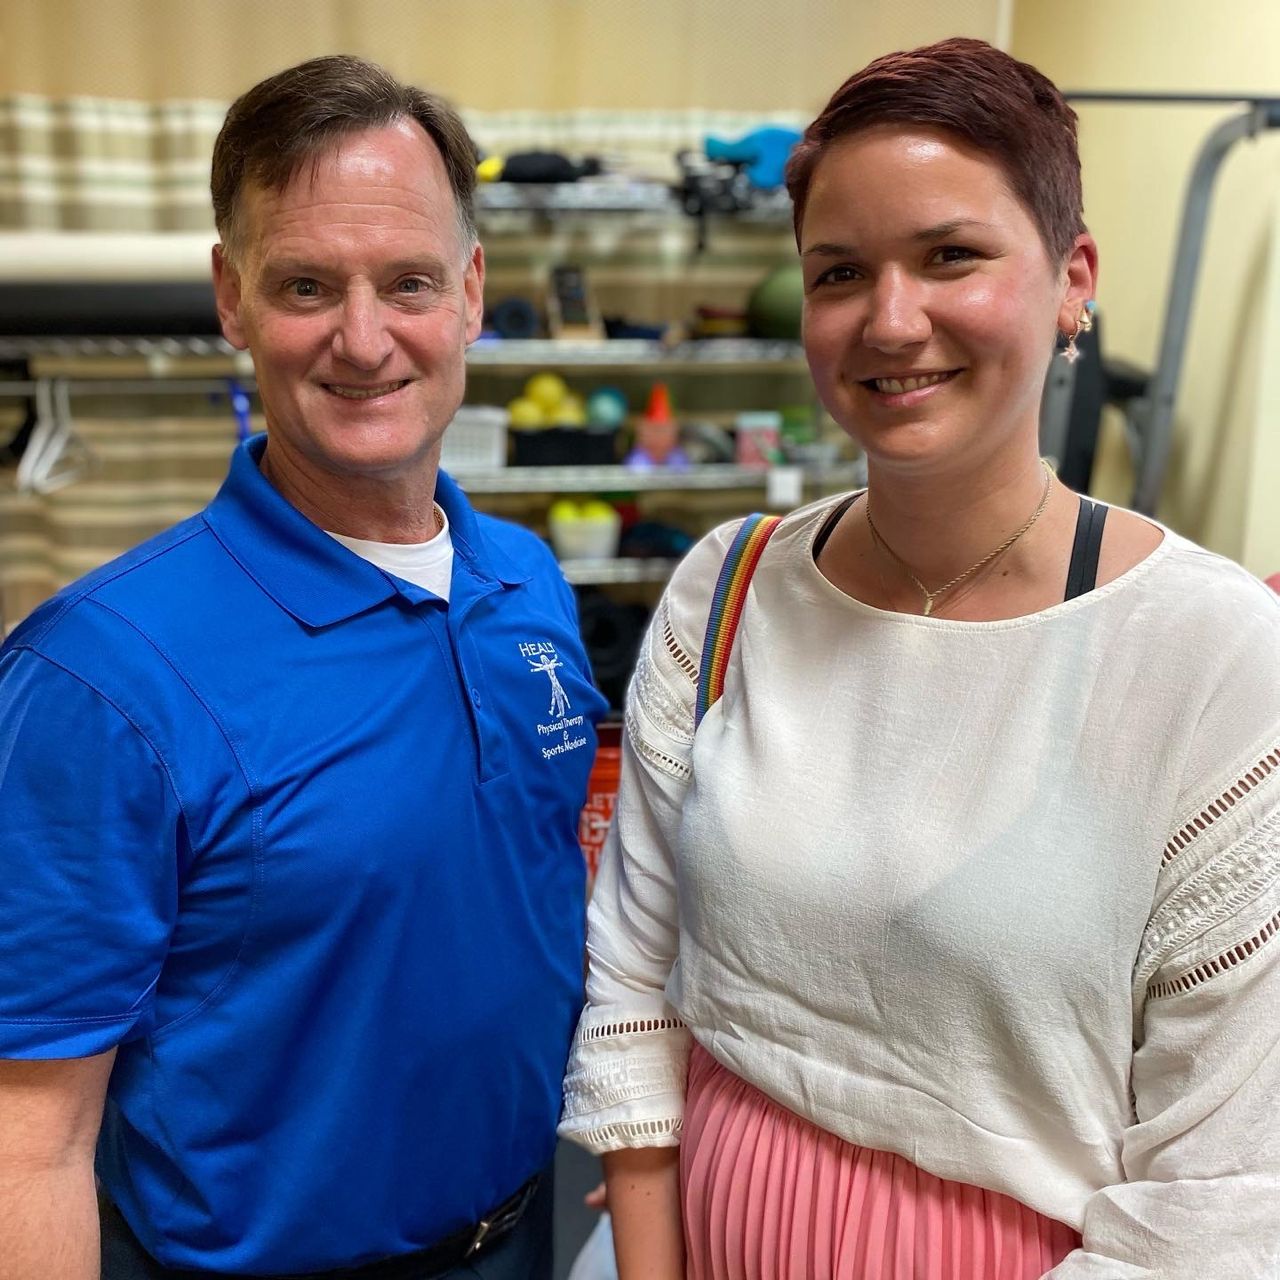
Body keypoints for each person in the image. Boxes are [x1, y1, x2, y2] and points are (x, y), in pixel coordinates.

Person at [558, 37, 1280, 1280]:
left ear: (1070, 280)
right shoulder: (727, 590)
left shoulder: (1212, 662)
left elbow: (1217, 1199)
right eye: (840, 271)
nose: (891, 322)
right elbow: (633, 978)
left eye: (950, 255)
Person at [0, 55, 607, 1279]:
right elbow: (28, 1141)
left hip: (528, 1236)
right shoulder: (99, 681)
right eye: (305, 285)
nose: (364, 338)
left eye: (409, 282)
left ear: (471, 293)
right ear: (231, 298)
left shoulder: (526, 584)